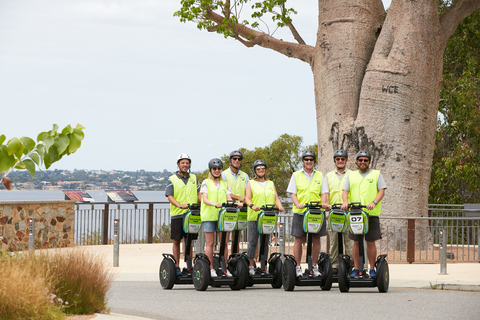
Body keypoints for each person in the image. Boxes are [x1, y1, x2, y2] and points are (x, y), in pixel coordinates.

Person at [341, 150, 387, 278]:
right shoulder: (351, 175)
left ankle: (372, 269)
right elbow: (345, 191)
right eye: (360, 160)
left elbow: (381, 191)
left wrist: (374, 202)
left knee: (370, 242)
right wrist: (345, 202)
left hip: (370, 213)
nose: (362, 162)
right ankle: (356, 268)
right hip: (355, 213)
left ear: (369, 162)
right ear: (356, 161)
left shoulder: (376, 174)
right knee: (356, 242)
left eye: (365, 160)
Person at [286, 150, 331, 277]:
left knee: (316, 239)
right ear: (303, 161)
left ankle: (314, 266)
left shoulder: (319, 175)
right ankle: (298, 267)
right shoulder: (296, 175)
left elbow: (324, 193)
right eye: (306, 159)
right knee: (298, 239)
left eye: (311, 159)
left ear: (314, 161)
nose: (309, 162)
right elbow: (293, 193)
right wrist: (297, 204)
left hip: (316, 212)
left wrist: (323, 203)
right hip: (301, 212)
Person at [200, 158, 241, 278]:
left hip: (222, 216)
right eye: (214, 169)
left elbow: (228, 198)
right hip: (209, 215)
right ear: (211, 170)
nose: (217, 171)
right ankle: (210, 268)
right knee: (210, 243)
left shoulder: (224, 184)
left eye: (219, 169)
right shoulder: (205, 182)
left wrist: (235, 203)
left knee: (223, 243)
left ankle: (224, 268)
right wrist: (214, 204)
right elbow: (205, 199)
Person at [244, 160, 285, 275]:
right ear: (255, 170)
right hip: (255, 216)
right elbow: (247, 198)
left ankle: (263, 266)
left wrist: (280, 206)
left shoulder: (270, 183)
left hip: (268, 216)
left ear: (265, 169)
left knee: (265, 241)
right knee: (252, 241)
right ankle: (251, 266)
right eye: (258, 168)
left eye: (263, 168)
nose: (261, 170)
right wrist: (252, 206)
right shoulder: (250, 183)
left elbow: (276, 198)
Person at [165, 153, 199, 276]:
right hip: (178, 214)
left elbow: (198, 194)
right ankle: (176, 266)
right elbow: (169, 196)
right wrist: (179, 205)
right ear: (178, 164)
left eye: (187, 163)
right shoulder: (172, 179)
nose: (185, 165)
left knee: (189, 241)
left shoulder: (194, 178)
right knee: (176, 241)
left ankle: (190, 266)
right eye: (183, 163)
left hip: (191, 214)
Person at [326, 149, 353, 274]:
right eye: (338, 159)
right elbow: (326, 193)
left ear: (346, 160)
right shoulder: (329, 176)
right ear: (334, 161)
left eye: (343, 159)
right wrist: (326, 205)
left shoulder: (352, 174)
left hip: (348, 212)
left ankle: (350, 264)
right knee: (334, 242)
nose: (340, 161)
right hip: (334, 212)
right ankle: (334, 266)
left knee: (350, 241)